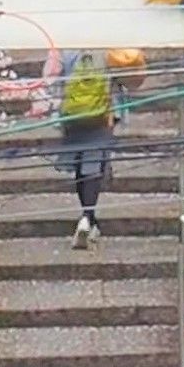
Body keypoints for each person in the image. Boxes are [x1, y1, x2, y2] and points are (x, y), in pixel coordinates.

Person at [57, 47, 136, 248]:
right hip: (102, 114)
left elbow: (52, 74)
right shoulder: (109, 47)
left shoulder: (67, 48)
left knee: (79, 165)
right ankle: (88, 217)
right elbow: (130, 74)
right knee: (93, 165)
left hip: (73, 114)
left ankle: (89, 220)